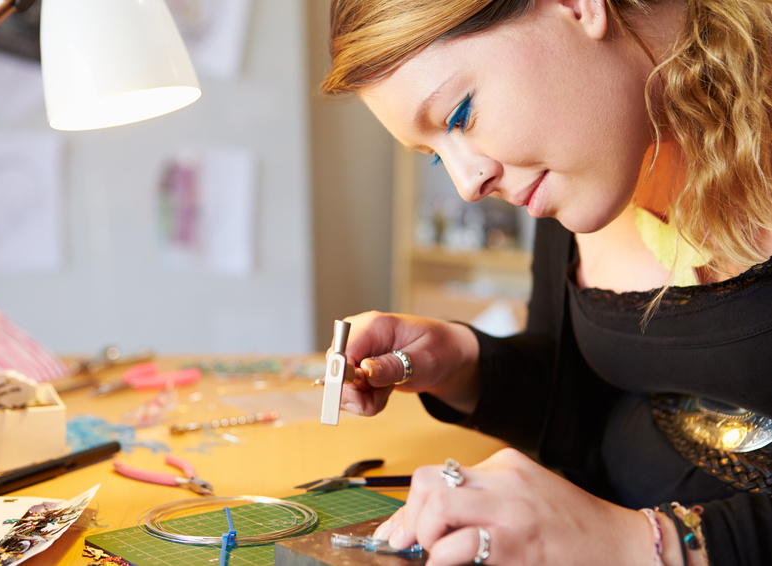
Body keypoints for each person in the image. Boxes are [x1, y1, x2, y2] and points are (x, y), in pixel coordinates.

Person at [320, 0, 772, 564]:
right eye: (436, 157)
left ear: (576, 7)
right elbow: (580, 406)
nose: (467, 184)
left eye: (459, 115)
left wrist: (647, 545)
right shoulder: (588, 163)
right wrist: (462, 363)